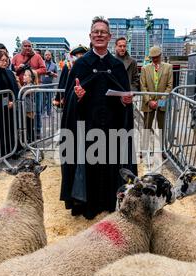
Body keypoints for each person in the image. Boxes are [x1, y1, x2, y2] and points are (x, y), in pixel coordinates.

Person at [60, 16, 137, 220]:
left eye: (104, 32)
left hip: (111, 128)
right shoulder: (81, 65)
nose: (100, 35)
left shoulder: (117, 66)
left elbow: (124, 98)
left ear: (109, 37)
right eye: (96, 31)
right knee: (89, 167)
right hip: (87, 128)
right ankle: (88, 205)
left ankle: (110, 202)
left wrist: (125, 101)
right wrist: (76, 97)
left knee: (111, 165)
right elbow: (68, 99)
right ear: (90, 36)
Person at [140, 46, 173, 159]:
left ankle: (162, 150)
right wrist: (149, 100)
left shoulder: (168, 67)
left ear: (160, 56)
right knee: (146, 127)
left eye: (156, 57)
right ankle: (144, 149)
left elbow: (169, 86)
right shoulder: (145, 68)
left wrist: (160, 101)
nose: (154, 60)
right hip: (148, 103)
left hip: (162, 102)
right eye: (152, 58)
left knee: (161, 127)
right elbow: (143, 86)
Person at [22, 68, 40, 142]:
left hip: (30, 109)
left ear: (31, 78)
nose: (23, 76)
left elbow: (23, 91)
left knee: (30, 126)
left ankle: (32, 142)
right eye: (24, 75)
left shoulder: (31, 85)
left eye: (26, 75)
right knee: (26, 126)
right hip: (26, 108)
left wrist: (17, 83)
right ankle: (29, 141)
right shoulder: (26, 84)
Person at [41, 50, 58, 116]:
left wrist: (52, 73)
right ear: (44, 56)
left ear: (51, 56)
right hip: (42, 84)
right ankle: (42, 113)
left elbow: (56, 75)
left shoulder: (54, 65)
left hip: (50, 84)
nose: (47, 56)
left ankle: (49, 112)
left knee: (49, 99)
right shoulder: (41, 63)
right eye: (46, 55)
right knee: (43, 99)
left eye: (49, 55)